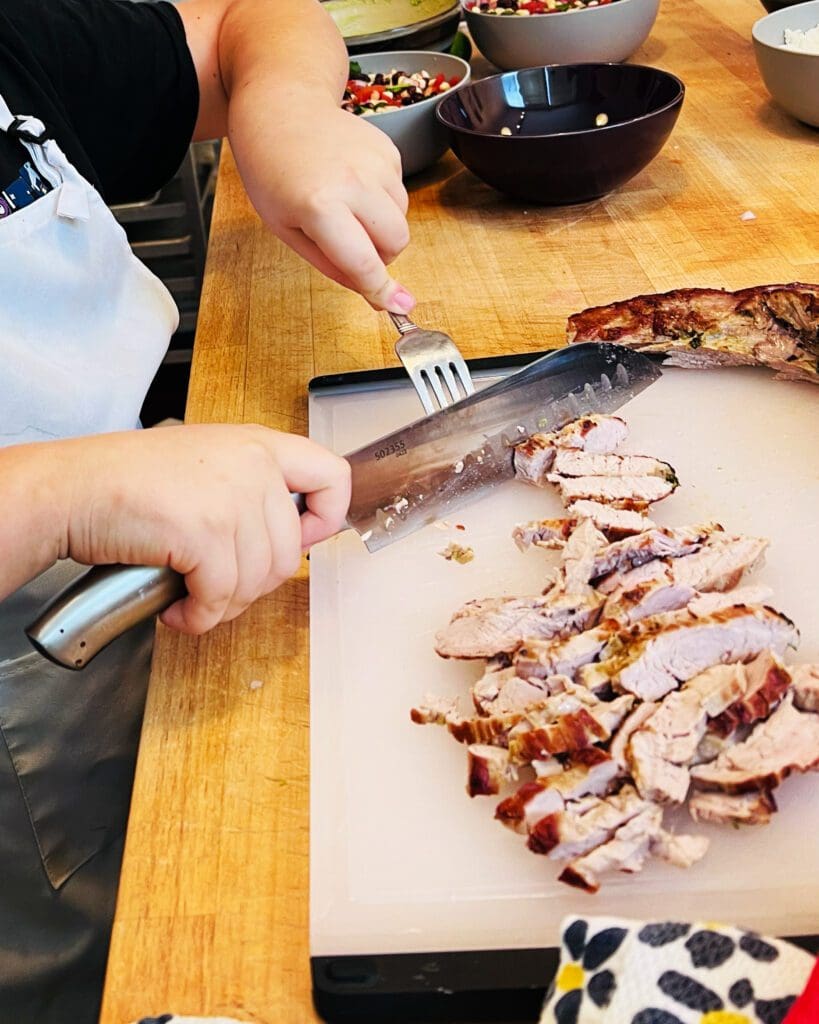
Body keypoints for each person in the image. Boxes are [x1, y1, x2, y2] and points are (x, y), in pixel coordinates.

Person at [0, 0, 413, 1020]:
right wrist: (51, 491)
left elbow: (247, 18)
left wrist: (279, 102)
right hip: (30, 676)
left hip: (166, 536)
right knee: (95, 970)